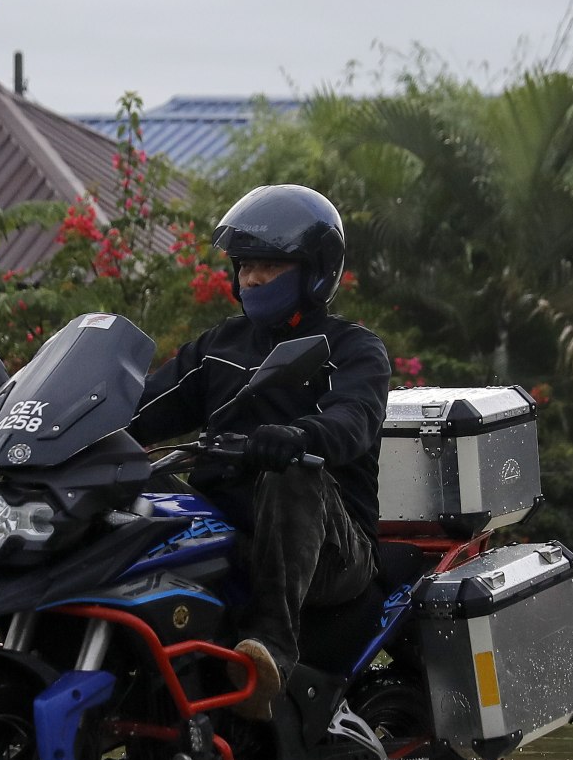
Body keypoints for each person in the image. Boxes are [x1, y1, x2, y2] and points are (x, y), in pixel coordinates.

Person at [128, 185, 390, 720]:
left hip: (332, 550)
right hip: (230, 533)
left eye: (269, 265)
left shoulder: (352, 349)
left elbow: (354, 421)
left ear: (314, 271)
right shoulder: (218, 347)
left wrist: (300, 436)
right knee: (135, 482)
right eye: (244, 264)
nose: (250, 278)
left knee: (293, 473)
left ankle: (269, 651)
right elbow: (142, 411)